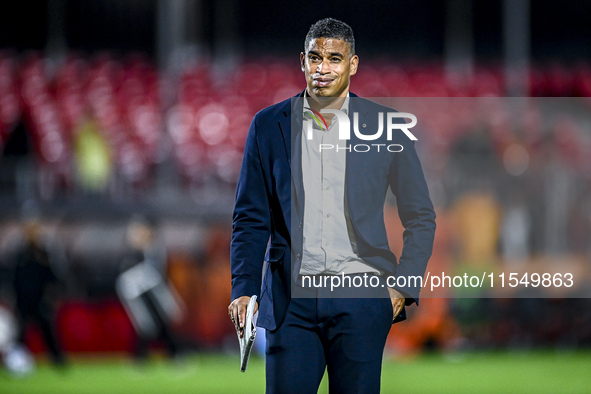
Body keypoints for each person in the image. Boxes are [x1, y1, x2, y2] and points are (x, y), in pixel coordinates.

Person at [228, 18, 436, 393]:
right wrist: (243, 288)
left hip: (362, 299)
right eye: (315, 57)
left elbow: (420, 215)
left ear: (353, 64)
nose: (323, 68)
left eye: (334, 58)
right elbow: (250, 219)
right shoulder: (267, 125)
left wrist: (403, 285)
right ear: (302, 62)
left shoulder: (387, 126)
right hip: (290, 305)